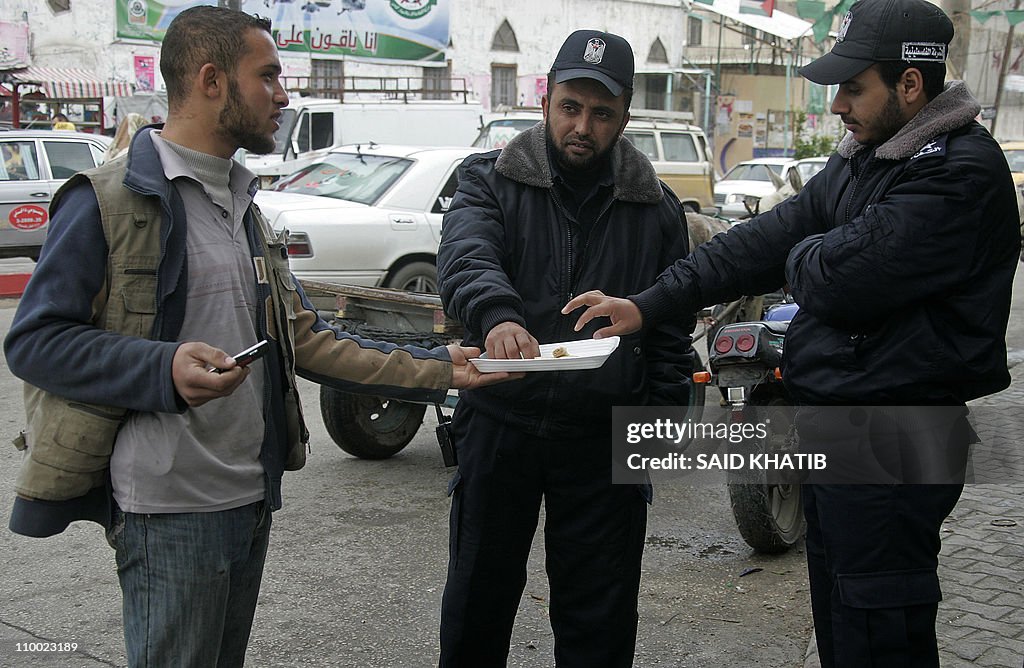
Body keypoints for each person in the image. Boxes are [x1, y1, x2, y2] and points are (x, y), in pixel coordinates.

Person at [3, 7, 512, 667]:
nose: (283, 94)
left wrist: (444, 368)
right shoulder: (109, 202)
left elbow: (308, 339)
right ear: (212, 81)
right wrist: (161, 368)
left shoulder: (245, 209)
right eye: (268, 76)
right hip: (168, 514)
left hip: (248, 500)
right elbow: (35, 342)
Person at [563, 1, 1019, 666]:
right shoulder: (869, 158)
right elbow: (769, 237)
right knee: (841, 627)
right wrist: (650, 303)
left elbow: (833, 275)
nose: (837, 106)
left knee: (879, 634)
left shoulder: (958, 172)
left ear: (910, 85)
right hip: (838, 428)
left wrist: (811, 251)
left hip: (901, 438)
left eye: (853, 88)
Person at [436, 29, 698, 667]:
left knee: (599, 618)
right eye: (571, 107)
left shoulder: (657, 211)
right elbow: (467, 255)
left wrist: (654, 435)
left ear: (625, 118)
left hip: (604, 440)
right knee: (478, 600)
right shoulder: (489, 179)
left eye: (602, 113)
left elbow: (668, 332)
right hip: (501, 424)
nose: (583, 126)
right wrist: (497, 315)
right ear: (546, 101)